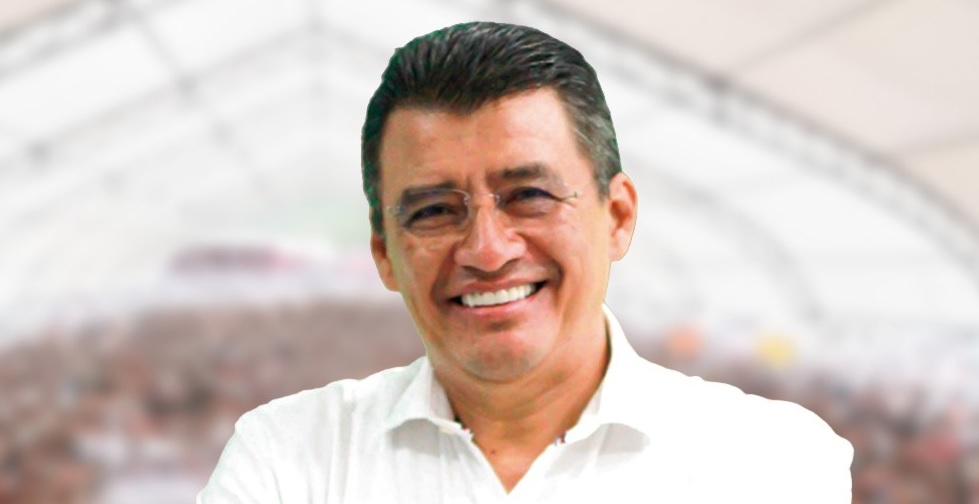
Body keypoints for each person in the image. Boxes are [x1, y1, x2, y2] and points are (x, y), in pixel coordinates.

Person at [197, 21, 853, 503]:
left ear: (617, 215)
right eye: (434, 210)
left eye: (529, 196)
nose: (487, 250)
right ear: (383, 253)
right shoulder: (291, 458)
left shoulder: (765, 460)